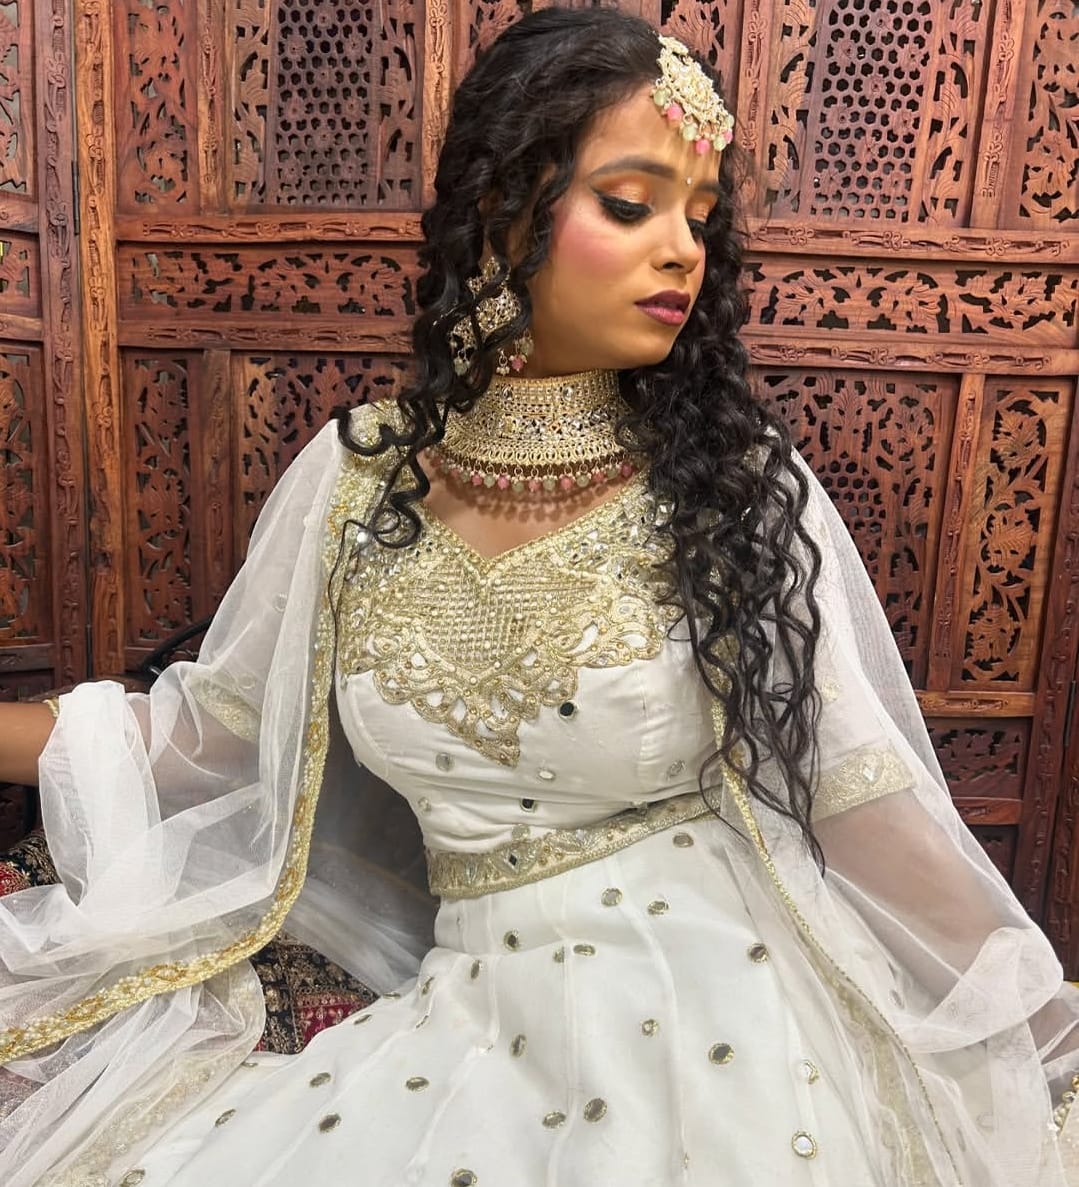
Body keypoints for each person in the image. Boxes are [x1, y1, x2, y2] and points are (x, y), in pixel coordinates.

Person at [0, 9, 1077, 1185]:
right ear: (502, 208)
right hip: (470, 1021)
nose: (681, 250)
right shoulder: (359, 475)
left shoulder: (724, 487)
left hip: (727, 1031)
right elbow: (214, 735)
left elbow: (854, 795)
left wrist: (1044, 1040)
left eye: (697, 216)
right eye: (631, 203)